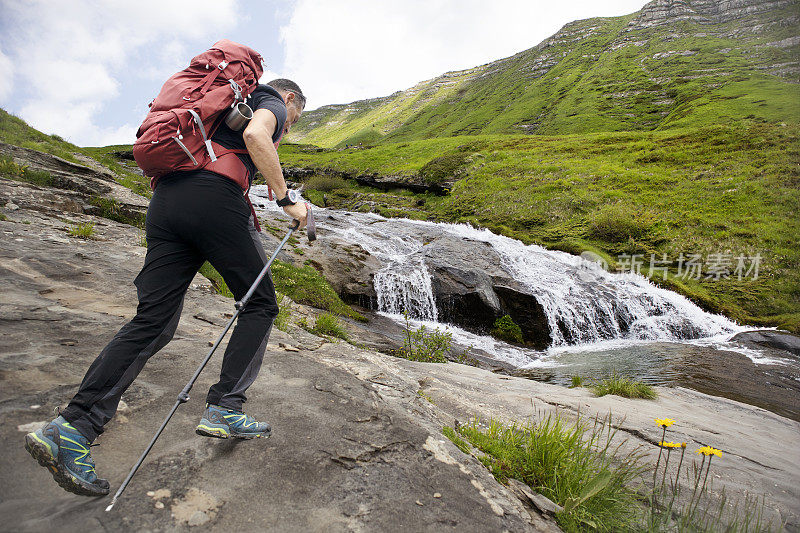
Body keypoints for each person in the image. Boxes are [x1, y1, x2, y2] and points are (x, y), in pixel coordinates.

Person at [24, 78, 308, 497]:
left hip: (167, 203)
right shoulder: (270, 99)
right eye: (295, 117)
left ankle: (72, 427)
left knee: (153, 321)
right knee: (260, 305)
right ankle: (225, 408)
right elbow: (255, 134)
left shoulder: (218, 105)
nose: (290, 124)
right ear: (290, 99)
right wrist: (287, 200)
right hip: (216, 199)